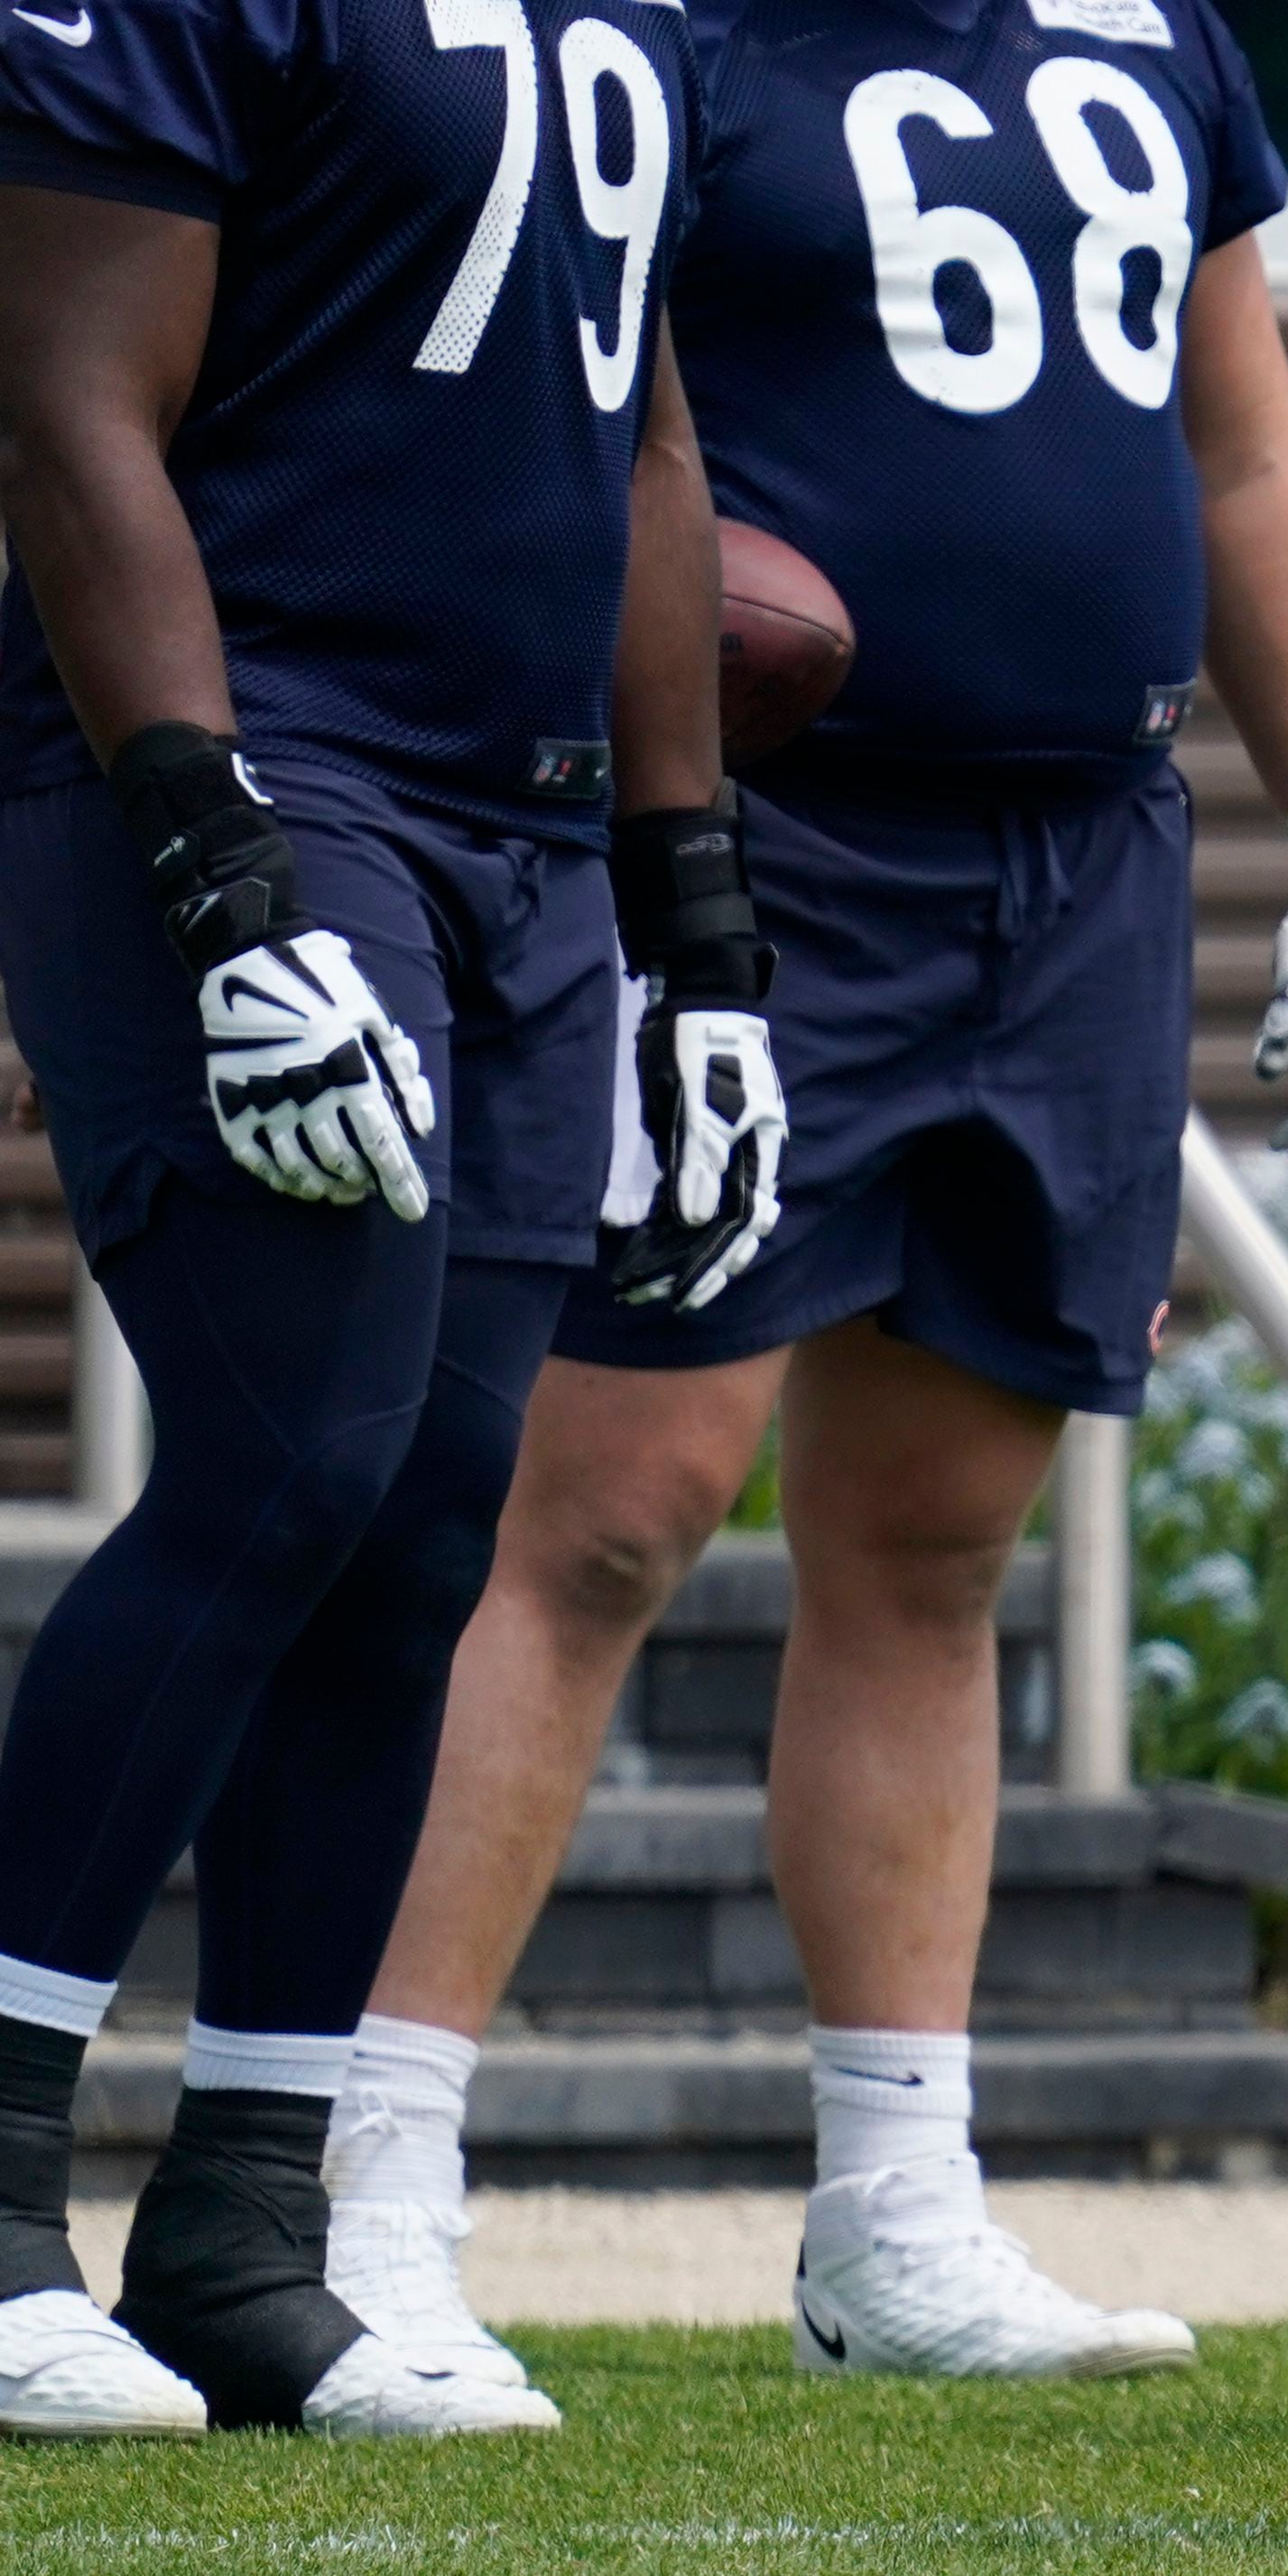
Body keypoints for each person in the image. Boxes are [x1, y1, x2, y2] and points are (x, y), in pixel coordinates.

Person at [306, 0, 1288, 2402]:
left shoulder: (1152, 37)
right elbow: (559, 407)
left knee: (935, 1542)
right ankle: (363, 2183)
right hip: (766, 844)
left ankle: (898, 2209)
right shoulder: (677, 44)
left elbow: (1239, 442)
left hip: (1078, 850)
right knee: (599, 1515)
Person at [0, 0, 746, 2439]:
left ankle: (244, 2226)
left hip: (519, 832)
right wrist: (212, 871)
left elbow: (638, 439)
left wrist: (696, 926)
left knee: (431, 1513)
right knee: (291, 1455)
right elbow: (69, 406)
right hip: (258, 758)